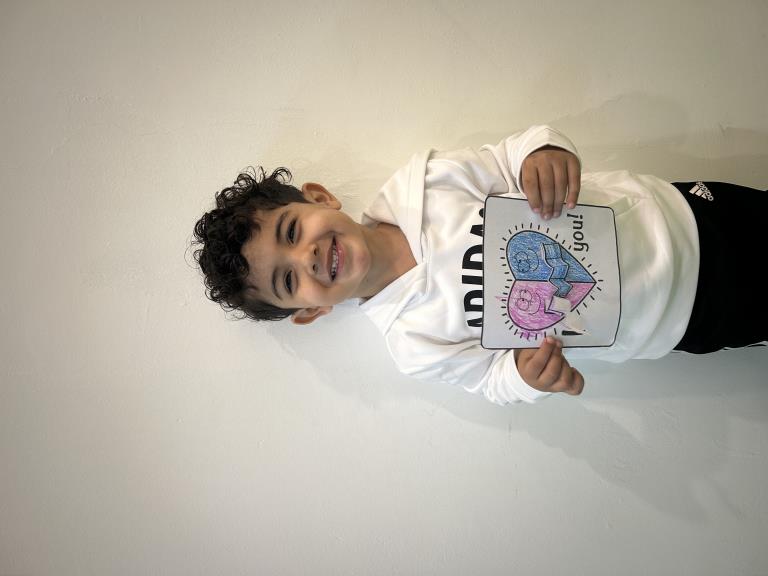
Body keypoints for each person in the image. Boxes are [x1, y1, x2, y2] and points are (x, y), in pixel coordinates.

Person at [192, 126, 767, 405]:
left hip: (678, 217)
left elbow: (509, 156)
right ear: (310, 311)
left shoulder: (422, 182)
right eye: (288, 279)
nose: (308, 257)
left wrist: (543, 151)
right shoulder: (413, 343)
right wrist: (526, 377)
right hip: (676, 320)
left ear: (319, 198)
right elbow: (491, 381)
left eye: (293, 232)